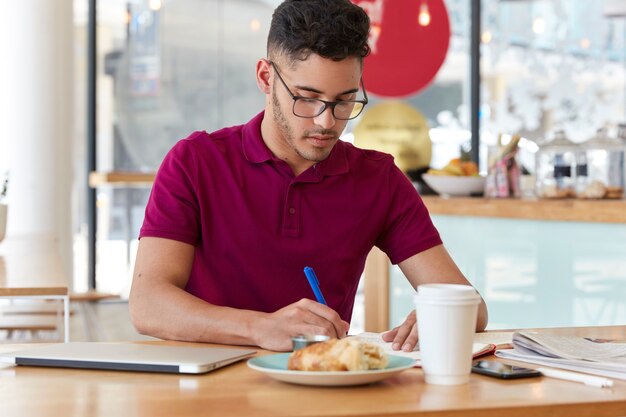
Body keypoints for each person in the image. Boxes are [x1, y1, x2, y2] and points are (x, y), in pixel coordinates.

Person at [129, 0, 488, 352]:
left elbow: (472, 306)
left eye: (344, 101)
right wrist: (260, 328)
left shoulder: (379, 180)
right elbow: (148, 303)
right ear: (266, 78)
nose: (326, 122)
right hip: (207, 395)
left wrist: (440, 315)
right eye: (307, 97)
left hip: (322, 388)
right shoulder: (195, 162)